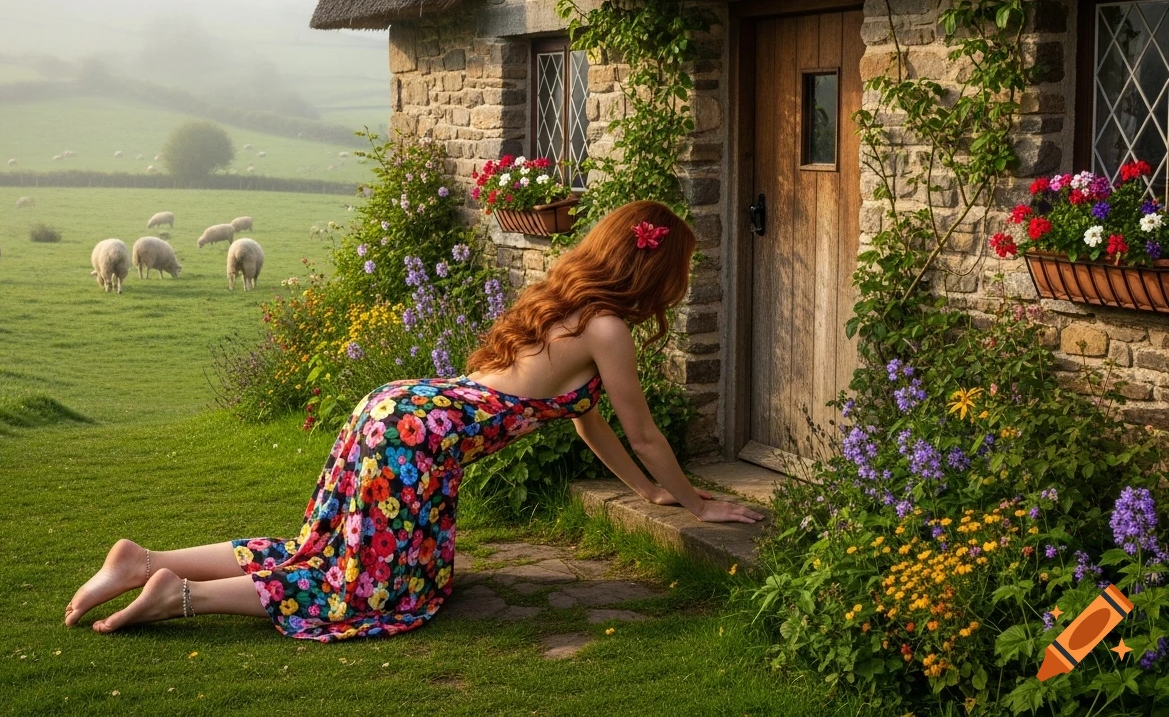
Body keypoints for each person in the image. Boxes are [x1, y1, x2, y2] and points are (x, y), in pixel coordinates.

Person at [65, 199, 765, 639]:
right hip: (418, 439)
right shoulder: (608, 328)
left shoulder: (566, 303)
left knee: (319, 549)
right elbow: (642, 431)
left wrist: (651, 493)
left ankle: (144, 561)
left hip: (399, 409)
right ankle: (182, 595)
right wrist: (698, 504)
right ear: (655, 271)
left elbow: (589, 422)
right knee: (370, 591)